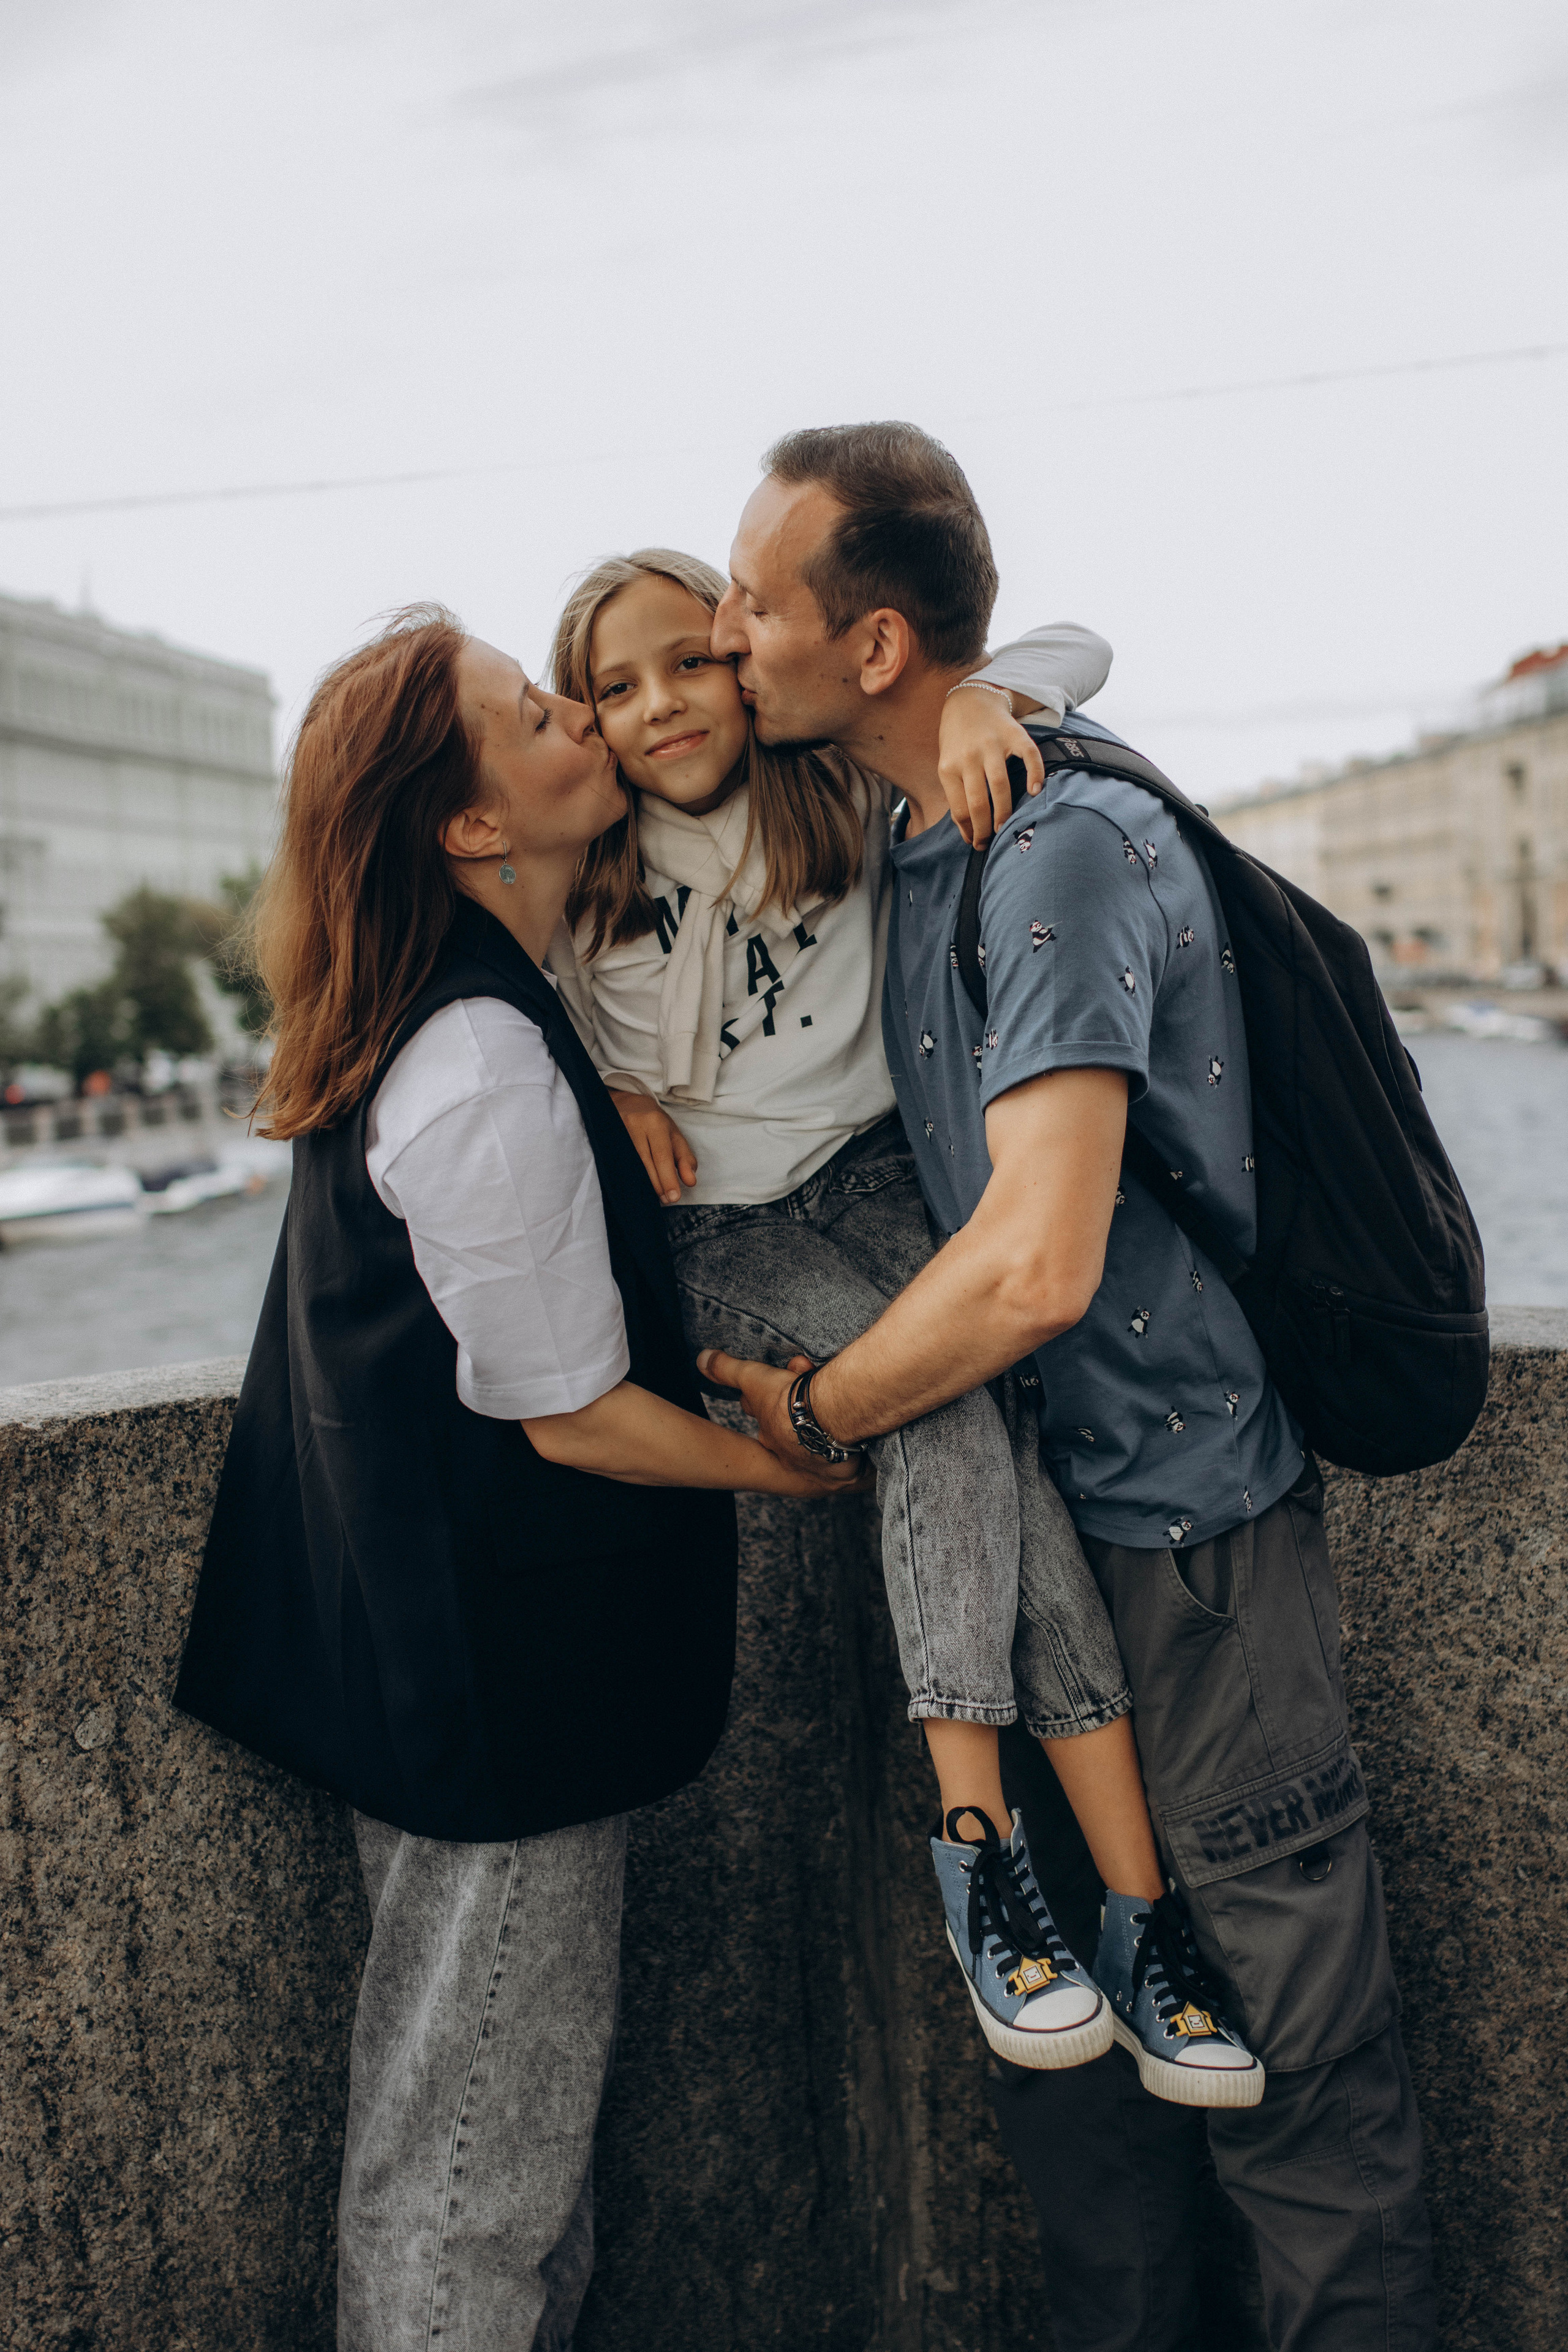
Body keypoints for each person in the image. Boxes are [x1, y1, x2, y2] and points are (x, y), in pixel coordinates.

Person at [701, 423, 1438, 2351]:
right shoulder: (911, 818)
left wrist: (824, 1410)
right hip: (1026, 1525)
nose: (722, 633)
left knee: (1289, 2061)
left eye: (755, 601)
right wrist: (1010, 681)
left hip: (1185, 1538)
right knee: (1092, 2091)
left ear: (868, 647)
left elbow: (1036, 1261)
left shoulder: (1060, 845)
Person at [173, 607, 862, 2352]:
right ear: (474, 828)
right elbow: (572, 1415)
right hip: (495, 1703)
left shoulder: (467, 1010)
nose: (580, 719)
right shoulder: (479, 1059)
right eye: (536, 710)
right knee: (475, 2174)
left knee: (490, 2159)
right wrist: (782, 1474)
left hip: (427, 1669)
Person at [545, 550, 1260, 2094]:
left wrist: (993, 693)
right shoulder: (580, 861)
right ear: (583, 716)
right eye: (614, 685)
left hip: (869, 1179)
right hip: (716, 1236)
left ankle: (1128, 1916)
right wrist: (602, 1087)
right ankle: (994, 1857)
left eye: (689, 658)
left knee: (971, 1394)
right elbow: (478, 981)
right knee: (928, 1399)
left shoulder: (836, 795)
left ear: (746, 659)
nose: (660, 703)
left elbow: (1084, 634)